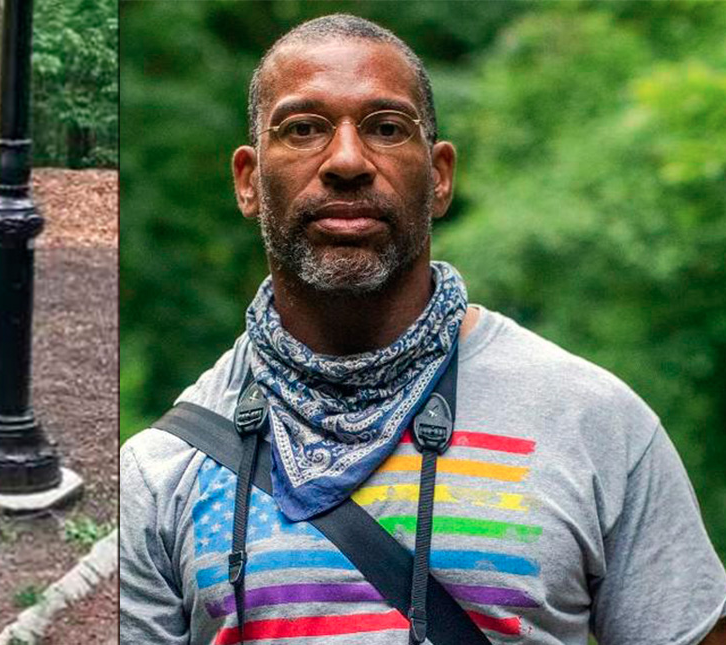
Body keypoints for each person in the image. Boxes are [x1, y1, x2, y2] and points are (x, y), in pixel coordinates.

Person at [119, 13, 726, 645]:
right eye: (303, 129)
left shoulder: (595, 422)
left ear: (438, 177)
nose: (347, 161)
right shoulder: (162, 468)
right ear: (249, 182)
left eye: (386, 129)